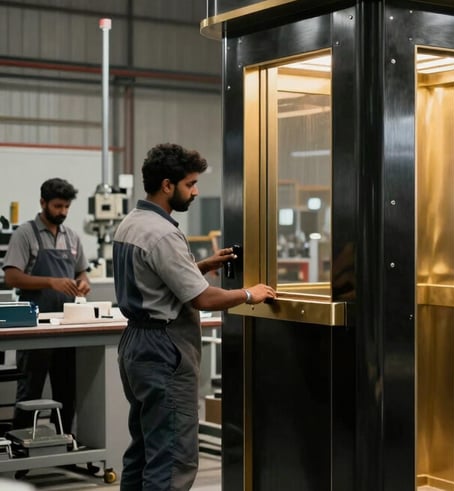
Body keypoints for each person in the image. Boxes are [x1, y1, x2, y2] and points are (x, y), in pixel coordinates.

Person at [113, 143, 276, 490]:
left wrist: (200, 265)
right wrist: (250, 294)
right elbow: (202, 298)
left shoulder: (132, 223)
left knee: (144, 449)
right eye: (190, 184)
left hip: (135, 345)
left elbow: (155, 278)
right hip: (163, 349)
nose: (196, 191)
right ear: (168, 185)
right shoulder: (163, 234)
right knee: (172, 457)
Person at [2, 178, 91, 434]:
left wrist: (83, 284)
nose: (62, 212)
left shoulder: (71, 237)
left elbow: (82, 273)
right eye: (57, 206)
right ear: (43, 203)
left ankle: (65, 442)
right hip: (34, 325)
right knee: (30, 388)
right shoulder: (25, 234)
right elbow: (11, 277)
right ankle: (21, 448)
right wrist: (50, 282)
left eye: (66, 207)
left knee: (67, 388)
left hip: (67, 325)